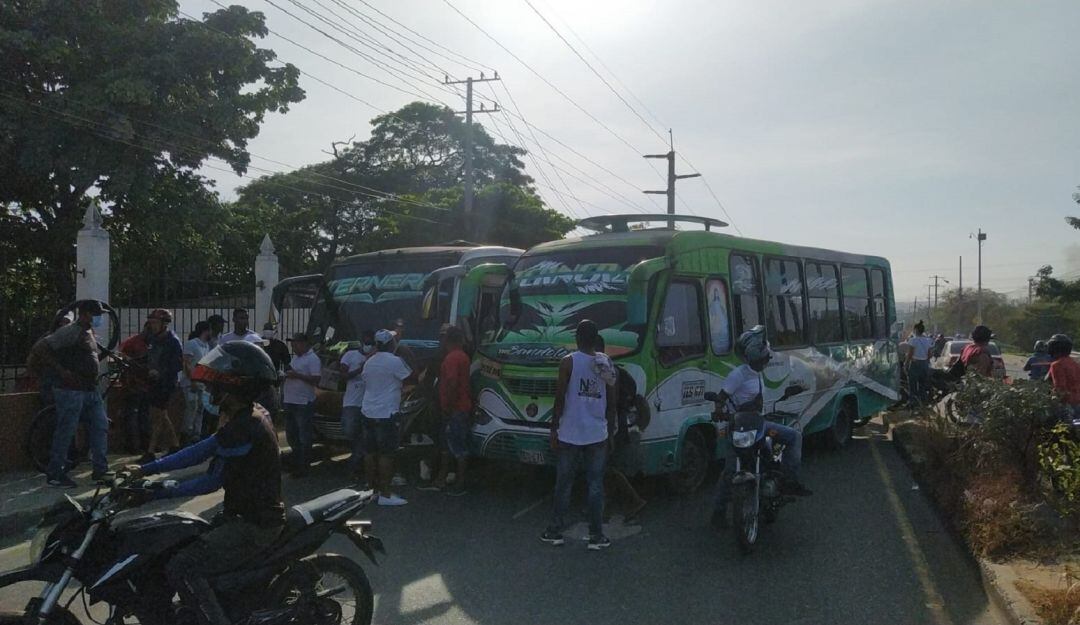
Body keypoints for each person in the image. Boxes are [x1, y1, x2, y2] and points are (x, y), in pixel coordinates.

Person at [123, 340, 284, 625]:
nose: (210, 390)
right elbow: (199, 451)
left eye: (216, 386)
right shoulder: (248, 414)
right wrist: (145, 470)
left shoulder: (244, 427)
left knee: (182, 566)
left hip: (254, 524)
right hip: (239, 515)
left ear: (235, 386)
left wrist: (154, 493)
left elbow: (210, 482)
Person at [711, 325, 812, 529]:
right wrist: (720, 410)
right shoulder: (739, 374)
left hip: (759, 424)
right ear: (754, 359)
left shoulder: (757, 374)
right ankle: (718, 513)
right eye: (763, 359)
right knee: (730, 469)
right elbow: (721, 398)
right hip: (738, 426)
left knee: (793, 437)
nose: (765, 362)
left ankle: (789, 480)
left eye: (765, 358)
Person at [540, 320, 615, 551]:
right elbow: (611, 400)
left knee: (564, 484)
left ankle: (555, 531)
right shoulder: (605, 362)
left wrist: (554, 428)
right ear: (595, 339)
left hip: (570, 433)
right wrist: (610, 431)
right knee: (595, 485)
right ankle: (596, 536)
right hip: (597, 433)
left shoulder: (568, 362)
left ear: (577, 338)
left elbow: (559, 398)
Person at [29, 299, 111, 487]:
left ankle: (100, 470)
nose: (98, 318)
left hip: (89, 389)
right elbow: (40, 348)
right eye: (95, 314)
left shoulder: (88, 330)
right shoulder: (69, 331)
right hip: (70, 390)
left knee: (100, 426)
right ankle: (55, 473)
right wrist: (62, 371)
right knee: (66, 430)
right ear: (85, 314)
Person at [596, 336, 648, 521]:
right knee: (606, 469)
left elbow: (611, 403)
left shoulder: (608, 370)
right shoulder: (604, 368)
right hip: (611, 425)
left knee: (606, 469)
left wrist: (609, 433)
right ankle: (606, 509)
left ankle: (635, 501)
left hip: (613, 427)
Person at [360, 329, 413, 506]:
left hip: (367, 411)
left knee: (369, 453)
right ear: (391, 344)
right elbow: (410, 379)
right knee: (386, 454)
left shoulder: (369, 362)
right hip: (386, 413)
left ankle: (370, 490)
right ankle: (386, 494)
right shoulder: (396, 361)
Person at [421, 326, 472, 495]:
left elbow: (451, 383)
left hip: (454, 408)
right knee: (451, 445)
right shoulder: (463, 357)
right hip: (461, 407)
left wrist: (447, 406)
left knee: (455, 446)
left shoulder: (451, 359)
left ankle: (459, 483)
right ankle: (444, 480)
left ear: (448, 340)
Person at [141, 309, 183, 464]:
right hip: (153, 381)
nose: (152, 325)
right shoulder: (152, 338)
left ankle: (150, 451)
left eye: (155, 322)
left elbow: (177, 364)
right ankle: (175, 445)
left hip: (166, 383)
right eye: (151, 322)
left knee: (158, 415)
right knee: (161, 414)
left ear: (164, 324)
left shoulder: (173, 341)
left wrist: (160, 373)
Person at [282, 332, 321, 476]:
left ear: (304, 344)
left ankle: (304, 465)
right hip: (290, 400)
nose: (293, 347)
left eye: (296, 344)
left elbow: (316, 379)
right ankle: (296, 462)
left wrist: (296, 375)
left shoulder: (312, 359)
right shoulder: (297, 359)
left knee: (303, 435)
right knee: (292, 435)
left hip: (303, 403)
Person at [339, 330, 375, 481]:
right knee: (349, 431)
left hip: (369, 404)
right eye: (366, 342)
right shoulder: (350, 355)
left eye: (371, 343)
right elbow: (343, 376)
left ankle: (356, 468)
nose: (368, 345)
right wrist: (360, 369)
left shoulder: (376, 358)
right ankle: (357, 457)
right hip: (351, 402)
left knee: (367, 438)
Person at [118, 321, 153, 454]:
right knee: (132, 415)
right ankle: (132, 446)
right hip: (132, 384)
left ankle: (145, 445)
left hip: (146, 384)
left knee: (144, 415)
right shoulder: (133, 341)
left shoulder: (152, 343)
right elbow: (120, 356)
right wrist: (132, 363)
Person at [180, 321, 212, 445]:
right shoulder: (192, 344)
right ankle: (186, 434)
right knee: (191, 408)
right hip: (190, 383)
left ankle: (196, 435)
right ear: (206, 331)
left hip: (201, 383)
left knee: (200, 409)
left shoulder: (206, 346)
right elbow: (186, 363)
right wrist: (192, 379)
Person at [1046, 334, 1080, 419]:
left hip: (1065, 405)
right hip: (1077, 403)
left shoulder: (1057, 365)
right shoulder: (1075, 364)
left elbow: (1060, 388)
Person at [906, 321, 934, 407]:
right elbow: (930, 355)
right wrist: (925, 361)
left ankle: (913, 404)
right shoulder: (928, 340)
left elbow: (910, 354)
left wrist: (906, 363)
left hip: (915, 364)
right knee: (922, 386)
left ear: (916, 330)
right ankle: (923, 403)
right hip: (924, 365)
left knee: (913, 386)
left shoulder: (913, 340)